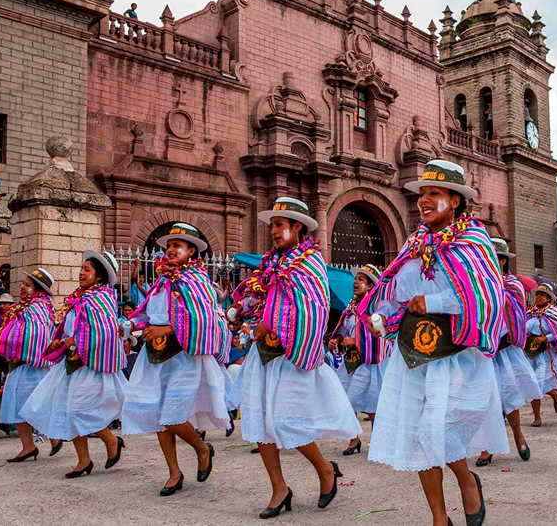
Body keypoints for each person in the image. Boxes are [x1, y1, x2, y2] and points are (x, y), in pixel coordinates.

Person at [360, 160, 507, 526]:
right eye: (421, 193)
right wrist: (384, 314)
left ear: (455, 200)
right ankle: (439, 518)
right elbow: (395, 289)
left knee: (436, 430)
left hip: (455, 354)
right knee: (418, 435)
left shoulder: (473, 241)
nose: (424, 200)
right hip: (412, 356)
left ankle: (466, 480)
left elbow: (485, 296)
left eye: (434, 193)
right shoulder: (414, 243)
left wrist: (435, 303)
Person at [228, 199, 359, 517]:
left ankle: (326, 469)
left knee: (289, 423)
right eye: (271, 225)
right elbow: (259, 295)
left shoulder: (310, 263)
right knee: (260, 425)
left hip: (292, 355)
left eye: (279, 224)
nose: (273, 230)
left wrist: (270, 324)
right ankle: (279, 489)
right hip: (265, 355)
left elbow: (313, 308)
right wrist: (242, 308)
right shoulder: (270, 264)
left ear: (297, 226)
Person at [122, 223, 227, 496]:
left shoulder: (197, 280)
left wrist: (167, 328)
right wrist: (131, 324)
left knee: (173, 415)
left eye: (177, 245)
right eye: (168, 245)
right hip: (154, 354)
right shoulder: (160, 282)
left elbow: (203, 317)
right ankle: (173, 472)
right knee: (158, 414)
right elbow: (149, 314)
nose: (170, 249)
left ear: (191, 251)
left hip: (183, 355)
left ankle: (202, 448)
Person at [23, 252, 127, 478]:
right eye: (82, 268)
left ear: (98, 277)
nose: (81, 272)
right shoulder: (80, 298)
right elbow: (71, 327)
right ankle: (83, 460)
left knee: (80, 410)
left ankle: (111, 441)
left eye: (87, 270)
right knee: (68, 411)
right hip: (71, 363)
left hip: (90, 365)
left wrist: (74, 340)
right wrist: (59, 340)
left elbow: (103, 332)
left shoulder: (100, 299)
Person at [476, 238, 540, 466]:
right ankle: (486, 446)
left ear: (502, 261)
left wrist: (498, 339)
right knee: (483, 399)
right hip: (479, 350)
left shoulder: (511, 285)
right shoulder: (476, 283)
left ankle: (518, 435)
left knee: (508, 397)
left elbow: (515, 317)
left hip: (503, 349)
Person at [0, 268, 57, 462]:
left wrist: (13, 348)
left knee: (28, 405)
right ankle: (32, 445)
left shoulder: (34, 309)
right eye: (23, 284)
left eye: (27, 285)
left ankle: (46, 441)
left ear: (37, 290)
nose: (22, 287)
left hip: (30, 365)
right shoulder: (31, 307)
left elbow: (35, 336)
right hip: (24, 363)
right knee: (23, 406)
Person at [333, 264, 386, 456]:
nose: (356, 282)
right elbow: (344, 330)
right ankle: (354, 439)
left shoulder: (375, 308)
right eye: (356, 279)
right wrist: (337, 340)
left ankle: (379, 441)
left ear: (371, 286)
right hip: (351, 362)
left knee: (369, 403)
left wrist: (356, 341)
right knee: (344, 398)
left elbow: (380, 334)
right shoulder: (351, 307)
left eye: (362, 279)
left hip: (368, 362)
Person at [525, 284, 557, 427]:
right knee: (531, 384)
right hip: (530, 354)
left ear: (549, 299)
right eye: (537, 294)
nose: (538, 297)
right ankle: (537, 417)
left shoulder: (554, 313)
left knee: (538, 382)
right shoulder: (529, 313)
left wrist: (546, 338)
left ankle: (555, 394)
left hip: (546, 355)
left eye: (542, 295)